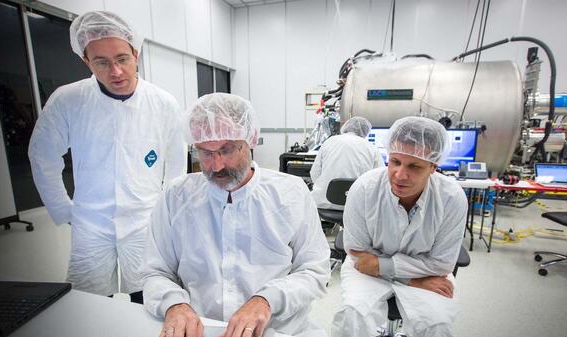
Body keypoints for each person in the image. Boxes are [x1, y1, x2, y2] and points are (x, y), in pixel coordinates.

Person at [141, 93, 331, 337]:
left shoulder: (291, 194)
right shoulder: (176, 197)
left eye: (226, 150)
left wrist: (266, 300)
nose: (216, 165)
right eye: (205, 153)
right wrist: (174, 304)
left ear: (250, 139)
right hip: (202, 329)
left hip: (277, 330)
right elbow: (155, 271)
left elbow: (314, 271)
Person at [28, 11, 187, 303]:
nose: (115, 71)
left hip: (145, 220)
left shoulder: (162, 103)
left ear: (135, 53)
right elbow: (42, 155)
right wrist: (64, 210)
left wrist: (167, 211)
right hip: (90, 222)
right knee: (89, 300)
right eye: (102, 62)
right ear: (86, 61)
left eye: (122, 59)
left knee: (149, 296)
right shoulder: (69, 100)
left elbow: (176, 163)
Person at [331, 116, 468, 337]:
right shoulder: (364, 189)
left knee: (437, 325)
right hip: (373, 274)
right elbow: (358, 255)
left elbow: (441, 264)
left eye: (414, 166)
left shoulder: (452, 198)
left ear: (433, 166)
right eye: (395, 161)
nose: (400, 175)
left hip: (423, 275)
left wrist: (380, 265)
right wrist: (413, 279)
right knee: (353, 315)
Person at [310, 116, 384, 210]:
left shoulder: (329, 142)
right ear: (366, 132)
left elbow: (314, 173)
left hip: (324, 203)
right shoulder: (371, 147)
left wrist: (323, 185)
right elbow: (379, 178)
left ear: (346, 127)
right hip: (357, 206)